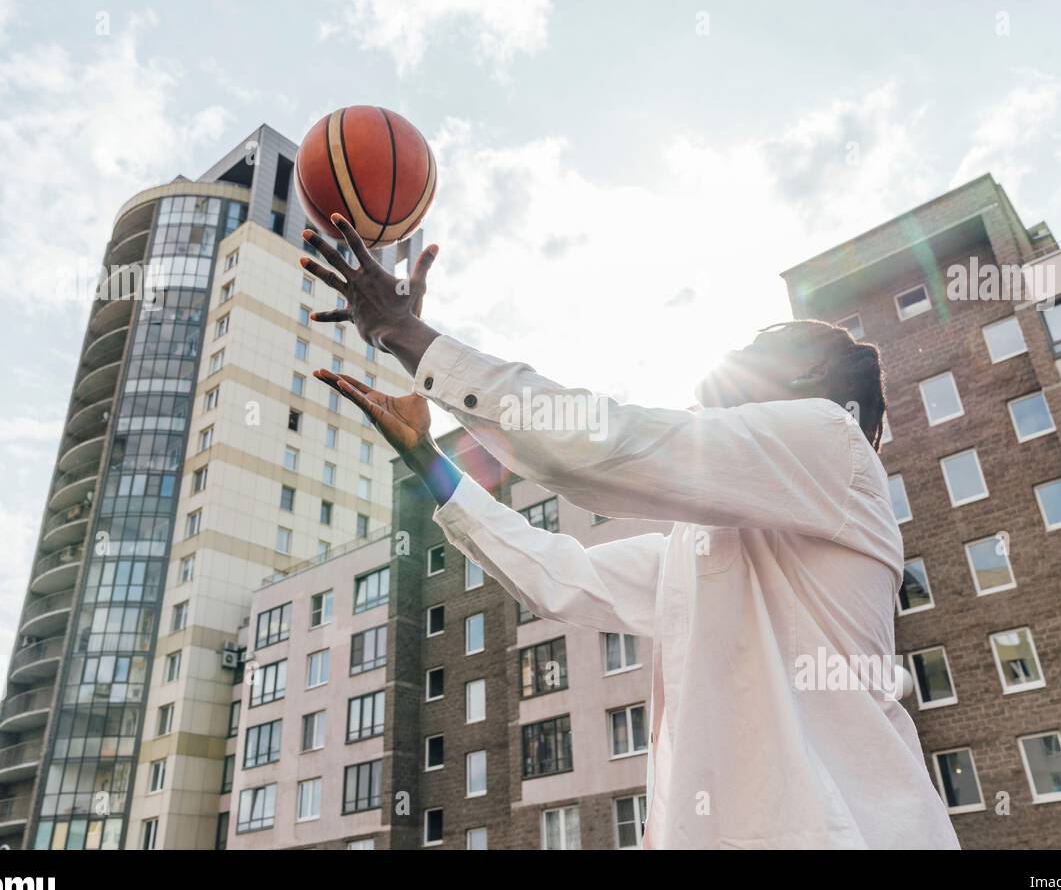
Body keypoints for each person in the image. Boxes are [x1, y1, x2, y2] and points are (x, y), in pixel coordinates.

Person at [299, 214, 961, 850]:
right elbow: (557, 574)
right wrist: (428, 461)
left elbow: (604, 444)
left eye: (761, 348)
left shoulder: (831, 439)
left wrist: (408, 335)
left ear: (808, 378)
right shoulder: (705, 552)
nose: (735, 356)